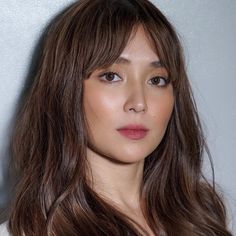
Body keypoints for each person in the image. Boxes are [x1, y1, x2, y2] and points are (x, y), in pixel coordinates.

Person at [0, 0, 233, 235]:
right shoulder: (26, 231)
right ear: (66, 89)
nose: (139, 103)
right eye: (111, 76)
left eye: (157, 80)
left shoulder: (205, 216)